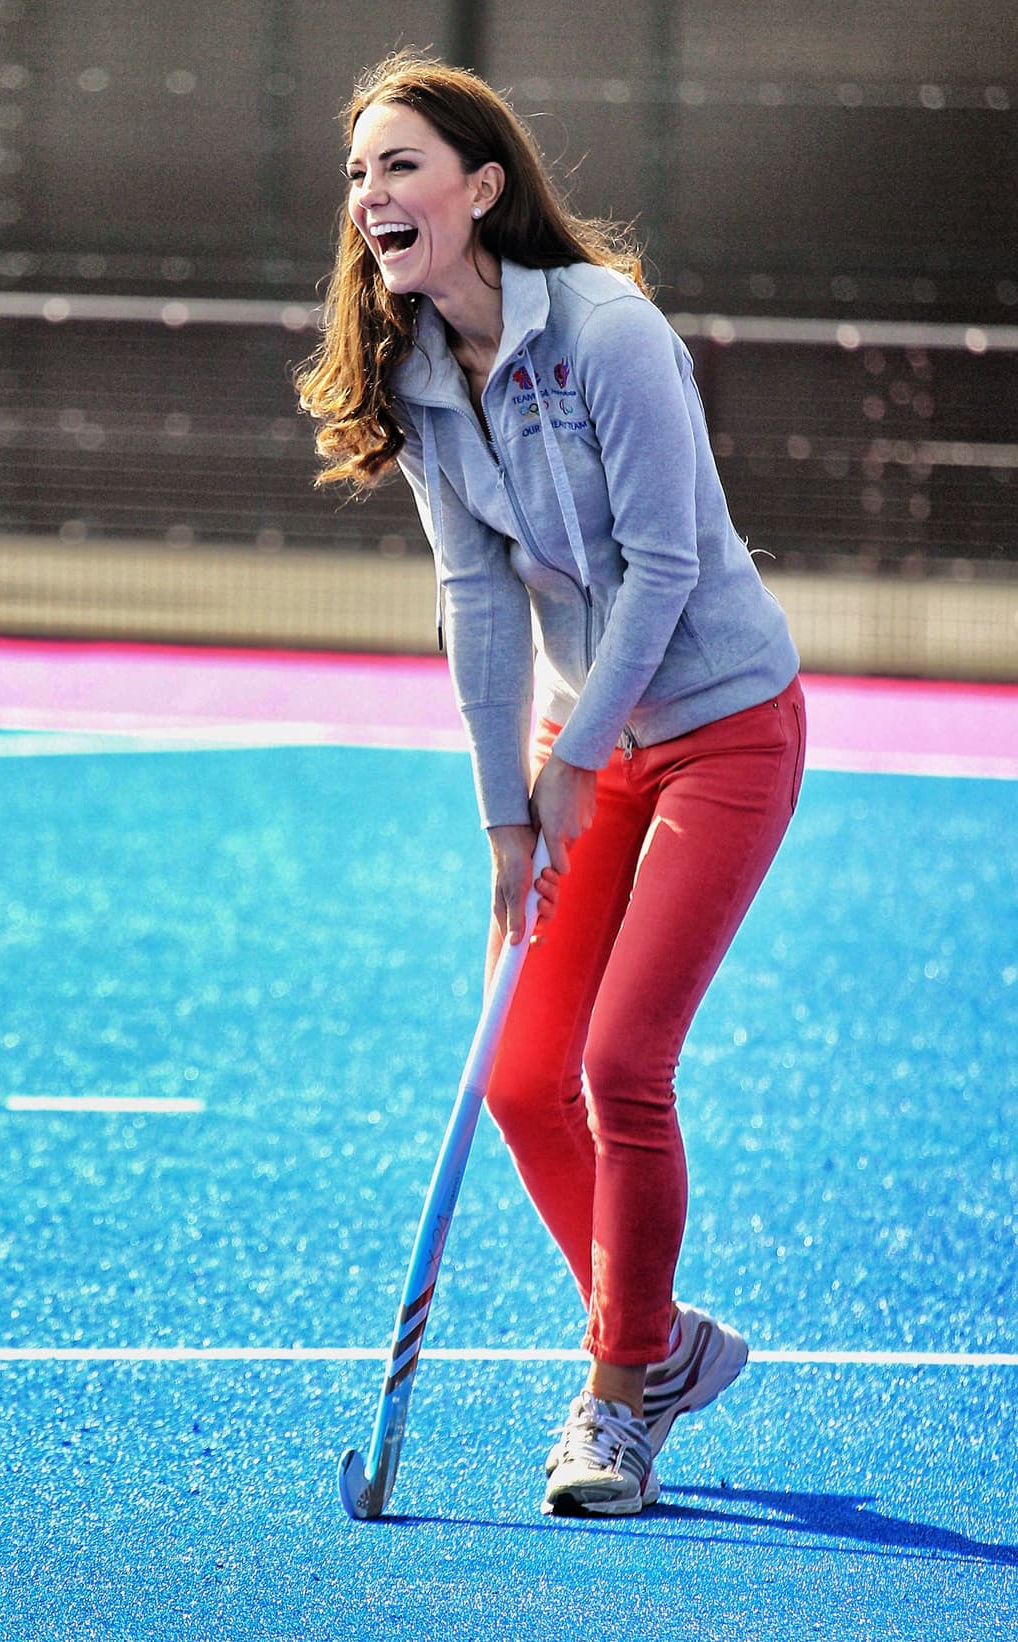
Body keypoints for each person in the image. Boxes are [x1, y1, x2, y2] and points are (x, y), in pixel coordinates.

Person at [297, 51, 806, 1517]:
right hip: (586, 744)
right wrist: (506, 815)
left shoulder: (609, 334)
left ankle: (615, 1401)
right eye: (357, 175)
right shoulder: (413, 373)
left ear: (482, 188)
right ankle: (657, 1335)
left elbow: (661, 567)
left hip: (717, 723)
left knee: (619, 1061)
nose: (371, 195)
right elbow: (476, 594)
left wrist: (578, 762)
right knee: (522, 1074)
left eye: (400, 165)